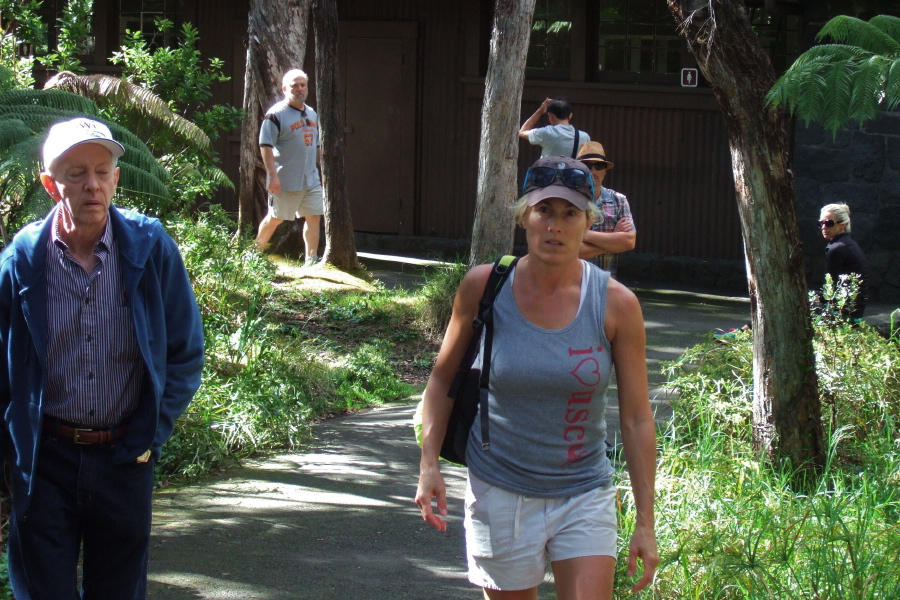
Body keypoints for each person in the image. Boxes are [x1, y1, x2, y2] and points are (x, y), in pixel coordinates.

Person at [415, 156, 658, 599]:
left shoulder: (616, 304)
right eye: (544, 210)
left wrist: (646, 521)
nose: (555, 226)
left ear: (589, 222)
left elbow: (638, 418)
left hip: (584, 490)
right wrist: (429, 462)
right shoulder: (484, 286)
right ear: (524, 215)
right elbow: (441, 381)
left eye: (570, 214)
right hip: (500, 489)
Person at [0, 117, 205, 599]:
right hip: (44, 459)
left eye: (101, 170)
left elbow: (185, 352)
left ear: (116, 177)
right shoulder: (21, 260)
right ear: (51, 185)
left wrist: (149, 434)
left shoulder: (151, 247)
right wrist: (10, 450)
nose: (91, 184)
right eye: (75, 173)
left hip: (124, 457)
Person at [255, 68, 324, 266]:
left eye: (303, 85)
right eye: (295, 85)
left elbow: (316, 145)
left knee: (313, 217)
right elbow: (265, 145)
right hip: (286, 179)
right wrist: (272, 175)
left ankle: (311, 260)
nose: (300, 89)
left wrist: (324, 169)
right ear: (285, 88)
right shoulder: (275, 115)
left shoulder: (312, 113)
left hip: (310, 179)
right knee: (275, 218)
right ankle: (252, 256)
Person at [576, 141, 636, 279]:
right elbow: (574, 251)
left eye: (599, 166)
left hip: (607, 283)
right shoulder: (569, 201)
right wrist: (613, 239)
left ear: (605, 171)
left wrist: (584, 234)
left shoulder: (619, 200)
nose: (593, 171)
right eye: (587, 166)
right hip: (574, 282)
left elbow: (629, 242)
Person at [820, 203, 868, 320]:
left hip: (845, 314)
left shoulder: (837, 248)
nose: (823, 227)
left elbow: (830, 286)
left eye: (829, 223)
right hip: (855, 310)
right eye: (821, 223)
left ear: (843, 225)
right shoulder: (847, 243)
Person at [519, 97, 591, 158]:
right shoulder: (585, 137)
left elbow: (522, 132)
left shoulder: (547, 132)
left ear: (551, 116)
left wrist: (540, 111)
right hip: (575, 175)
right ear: (570, 116)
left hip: (549, 174)